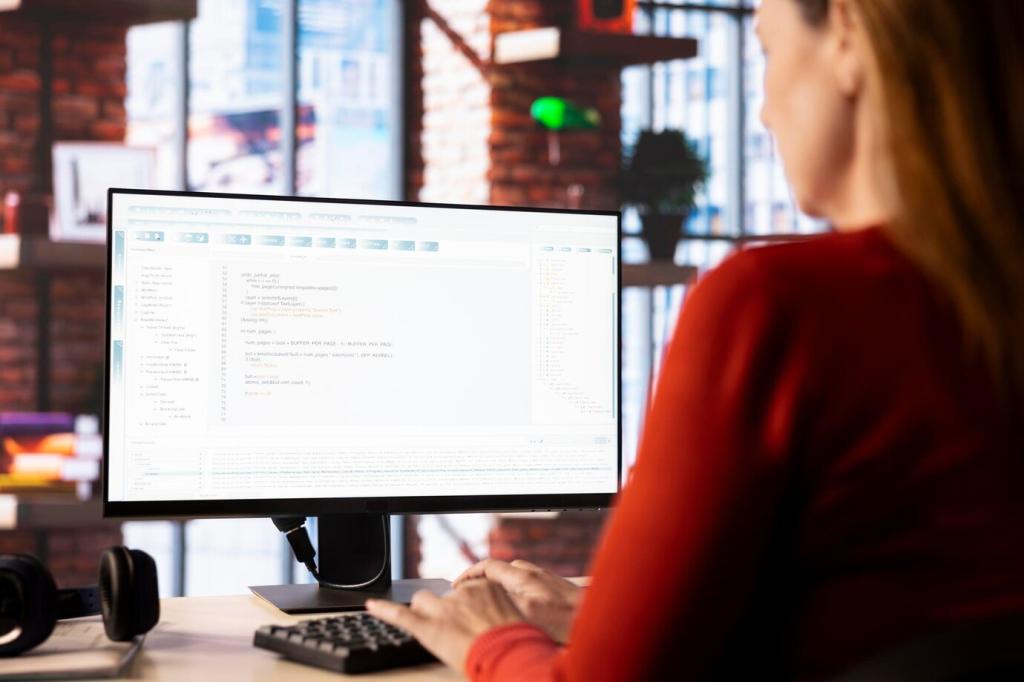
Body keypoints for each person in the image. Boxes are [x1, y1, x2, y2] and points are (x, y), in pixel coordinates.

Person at [368, 0, 1024, 678]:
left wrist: (488, 639)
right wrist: (615, 622)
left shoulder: (775, 304)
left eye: (768, 52)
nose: (763, 112)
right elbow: (891, 613)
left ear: (848, 39)